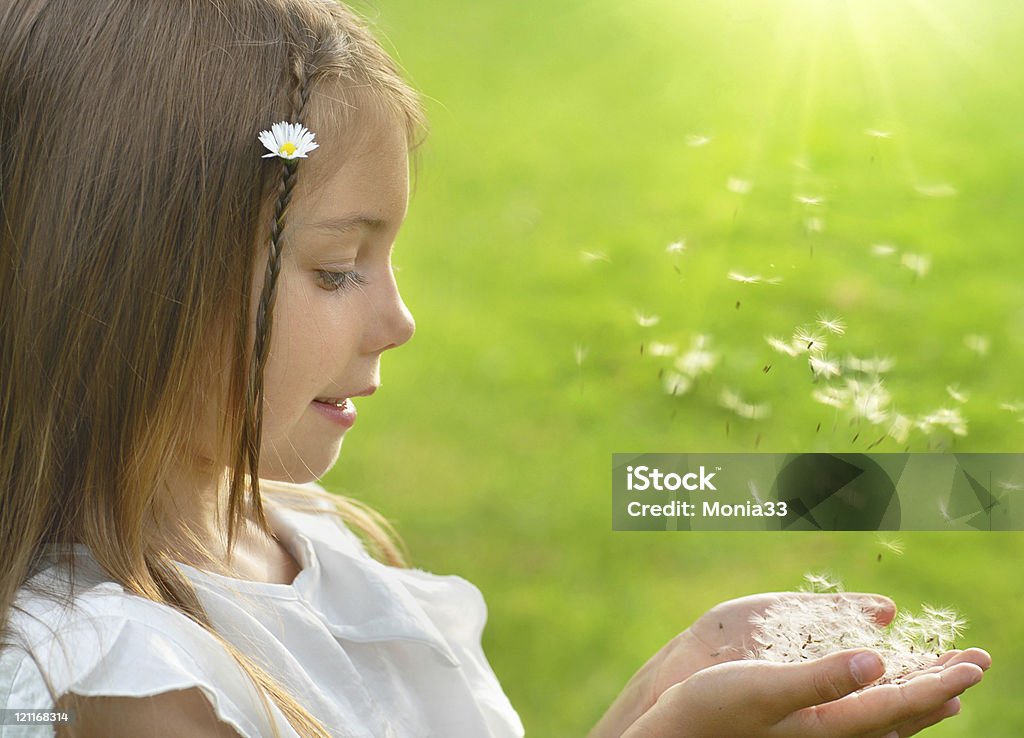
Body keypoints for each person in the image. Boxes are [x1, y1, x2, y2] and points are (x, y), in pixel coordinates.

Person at [0, 1, 990, 736]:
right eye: (338, 269)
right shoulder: (125, 677)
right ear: (126, 286)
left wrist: (663, 697)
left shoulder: (303, 542)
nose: (399, 320)